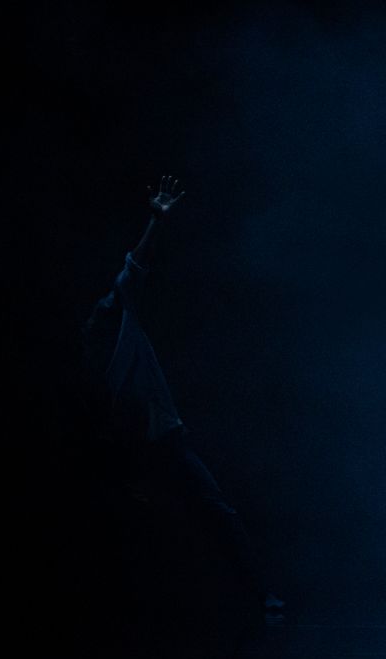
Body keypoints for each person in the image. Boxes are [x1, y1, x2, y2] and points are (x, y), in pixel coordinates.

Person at [82, 176, 281, 613]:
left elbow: (133, 266)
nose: (101, 309)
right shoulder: (91, 372)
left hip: (169, 442)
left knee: (219, 513)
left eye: (103, 306)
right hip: (134, 455)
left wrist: (156, 220)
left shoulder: (123, 321)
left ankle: (260, 592)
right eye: (94, 313)